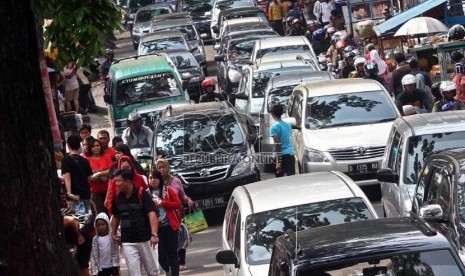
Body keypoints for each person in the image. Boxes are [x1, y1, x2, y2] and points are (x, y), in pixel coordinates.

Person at [110, 169, 159, 276]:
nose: (116, 184)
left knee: (152, 271)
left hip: (146, 240)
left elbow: (152, 214)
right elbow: (115, 215)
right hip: (128, 241)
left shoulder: (142, 194)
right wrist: (113, 233)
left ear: (128, 181)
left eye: (118, 181)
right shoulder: (117, 197)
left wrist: (154, 234)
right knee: (134, 273)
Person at [156, 158, 194, 270]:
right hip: (162, 217)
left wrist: (188, 200)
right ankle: (170, 263)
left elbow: (183, 196)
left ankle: (181, 261)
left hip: (177, 214)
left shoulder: (176, 181)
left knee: (180, 237)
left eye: (163, 167)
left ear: (168, 168)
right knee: (166, 243)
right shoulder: (156, 183)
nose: (162, 170)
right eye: (159, 168)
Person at [148, 169, 182, 276]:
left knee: (172, 253)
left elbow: (178, 204)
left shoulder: (168, 190)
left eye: (155, 178)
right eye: (150, 178)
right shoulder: (146, 194)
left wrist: (163, 203)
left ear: (160, 179)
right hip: (156, 229)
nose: (153, 180)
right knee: (160, 254)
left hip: (170, 226)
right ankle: (167, 271)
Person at [62, 135, 93, 214]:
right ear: (79, 146)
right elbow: (89, 178)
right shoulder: (85, 161)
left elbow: (67, 177)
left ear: (68, 146)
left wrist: (69, 193)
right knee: (86, 219)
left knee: (76, 220)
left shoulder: (66, 160)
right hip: (85, 194)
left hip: (74, 196)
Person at [84, 136, 113, 214]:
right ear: (90, 148)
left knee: (112, 212)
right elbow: (90, 177)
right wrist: (103, 176)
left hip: (109, 189)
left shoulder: (107, 157)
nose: (96, 148)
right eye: (93, 146)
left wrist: (98, 174)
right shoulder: (87, 160)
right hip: (95, 192)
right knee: (101, 215)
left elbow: (111, 171)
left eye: (98, 145)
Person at [270, 104, 295, 177]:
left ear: (272, 114)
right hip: (290, 154)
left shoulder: (274, 127)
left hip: (281, 156)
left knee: (280, 182)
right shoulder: (288, 125)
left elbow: (278, 144)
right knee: (292, 180)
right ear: (281, 113)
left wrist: (278, 162)